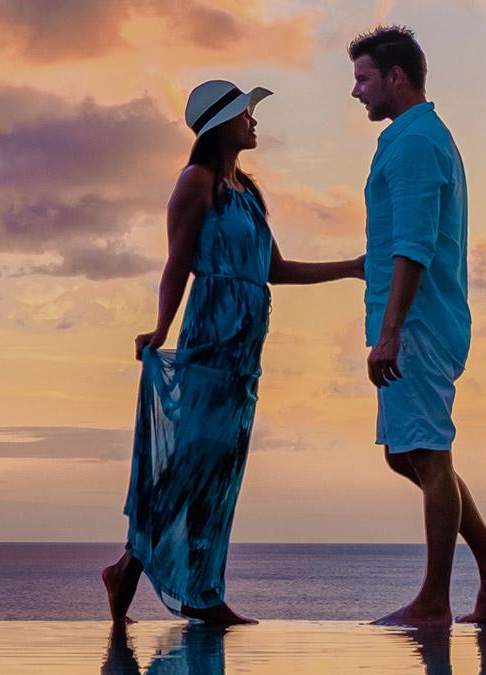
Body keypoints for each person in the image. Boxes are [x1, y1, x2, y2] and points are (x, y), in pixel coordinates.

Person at [102, 79, 365, 626]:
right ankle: (159, 578)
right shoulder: (195, 183)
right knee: (194, 461)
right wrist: (160, 328)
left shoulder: (245, 191)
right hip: (210, 337)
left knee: (219, 468)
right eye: (246, 113)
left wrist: (354, 267)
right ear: (221, 124)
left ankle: (183, 583)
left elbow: (275, 270)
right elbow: (177, 263)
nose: (254, 122)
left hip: (246, 347)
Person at [347, 25, 486, 627]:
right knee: (410, 457)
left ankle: (435, 600)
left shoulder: (417, 142)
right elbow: (398, 240)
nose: (356, 91)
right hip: (411, 316)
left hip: (417, 323)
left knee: (427, 452)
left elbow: (416, 244)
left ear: (397, 77)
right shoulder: (408, 138)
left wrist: (391, 331)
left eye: (364, 78)